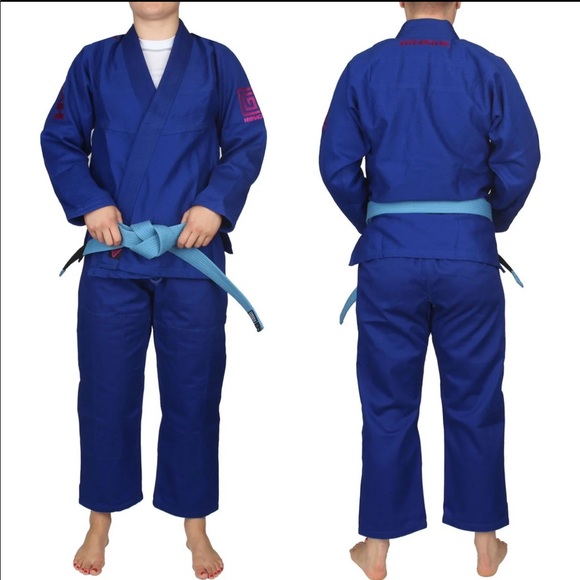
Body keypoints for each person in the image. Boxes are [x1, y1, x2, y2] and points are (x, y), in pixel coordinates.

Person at [40, 2, 266, 578]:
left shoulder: (218, 62)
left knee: (194, 392)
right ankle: (100, 520)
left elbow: (248, 140)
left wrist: (215, 204)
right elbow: (59, 139)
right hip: (114, 253)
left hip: (191, 255)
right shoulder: (93, 62)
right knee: (105, 392)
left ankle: (195, 526)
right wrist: (90, 202)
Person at [319, 2, 540, 578]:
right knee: (476, 398)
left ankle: (377, 548)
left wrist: (379, 224)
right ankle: (486, 543)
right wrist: (482, 222)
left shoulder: (364, 68)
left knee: (386, 403)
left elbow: (335, 166)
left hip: (388, 258)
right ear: (459, 1)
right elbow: (521, 161)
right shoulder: (488, 69)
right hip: (468, 256)